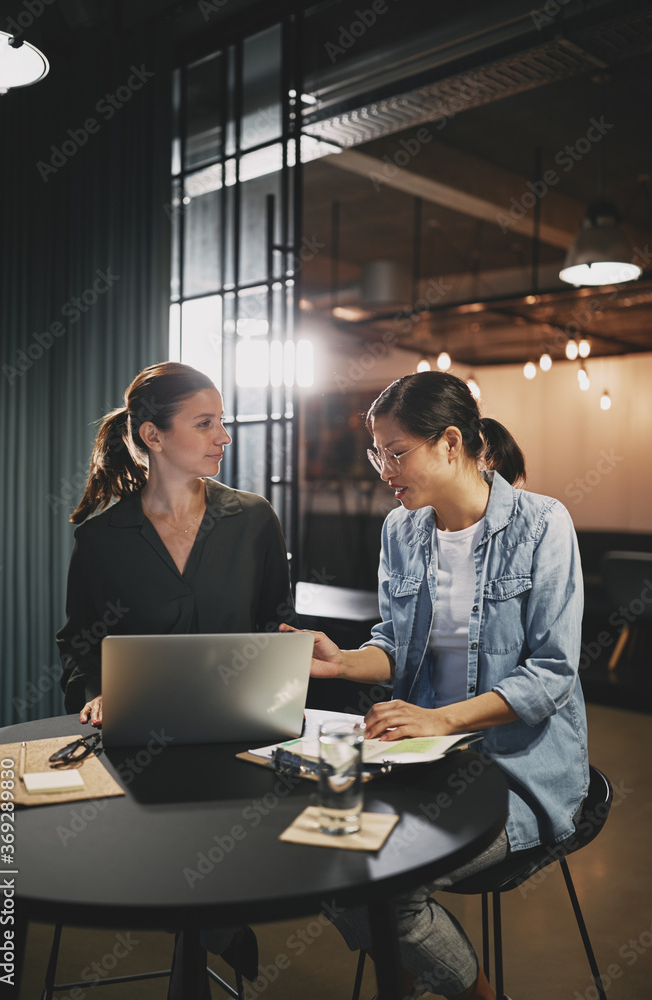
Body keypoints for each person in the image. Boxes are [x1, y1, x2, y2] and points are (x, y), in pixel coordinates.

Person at [281, 371, 588, 1000]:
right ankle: (427, 978)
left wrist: (442, 720)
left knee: (386, 885)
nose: (384, 470)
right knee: (325, 858)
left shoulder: (542, 525)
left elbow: (553, 674)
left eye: (397, 453)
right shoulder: (402, 530)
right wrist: (343, 663)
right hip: (424, 759)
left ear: (451, 443)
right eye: (377, 454)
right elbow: (396, 644)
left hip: (516, 769)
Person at [56, 361, 297, 998]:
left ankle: (210, 929)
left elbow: (277, 624)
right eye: (206, 423)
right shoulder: (102, 540)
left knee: (217, 873)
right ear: (153, 435)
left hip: (241, 746)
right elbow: (79, 646)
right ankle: (209, 931)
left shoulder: (254, 520)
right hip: (138, 750)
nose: (225, 436)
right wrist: (94, 694)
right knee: (177, 878)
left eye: (223, 422)